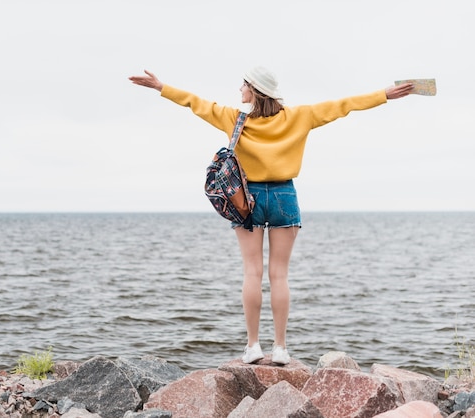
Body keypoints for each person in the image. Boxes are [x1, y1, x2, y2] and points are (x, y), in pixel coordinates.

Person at [128, 67, 413, 365]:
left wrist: (161, 86)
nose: (240, 89)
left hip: (245, 198)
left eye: (244, 85)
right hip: (284, 196)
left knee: (252, 272)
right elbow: (345, 105)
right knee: (280, 275)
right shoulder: (300, 116)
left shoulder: (234, 119)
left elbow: (194, 103)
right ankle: (280, 348)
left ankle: (253, 346)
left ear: (255, 90)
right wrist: (384, 95)